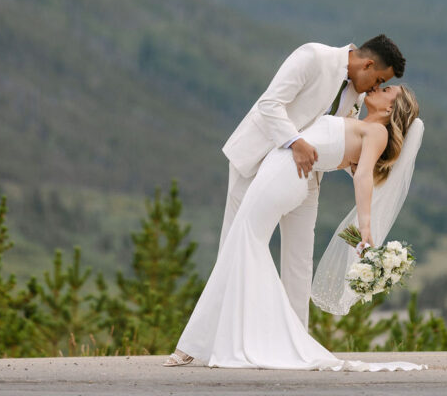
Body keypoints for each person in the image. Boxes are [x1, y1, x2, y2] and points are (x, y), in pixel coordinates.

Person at [165, 84, 426, 371]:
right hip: (282, 171)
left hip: (286, 174)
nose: (378, 86)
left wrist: (366, 229)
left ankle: (194, 345)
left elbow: (363, 177)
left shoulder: (377, 133)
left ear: (390, 109)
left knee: (243, 242)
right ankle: (224, 340)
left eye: (387, 88)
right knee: (244, 246)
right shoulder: (359, 124)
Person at [219, 36, 405, 327]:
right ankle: (216, 335)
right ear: (368, 64)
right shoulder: (313, 56)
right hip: (258, 159)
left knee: (300, 261)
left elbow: (331, 142)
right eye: (378, 79)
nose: (375, 88)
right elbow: (270, 104)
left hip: (307, 178)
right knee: (237, 244)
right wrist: (295, 142)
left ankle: (296, 339)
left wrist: (357, 167)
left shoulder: (357, 96)